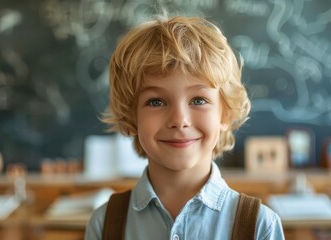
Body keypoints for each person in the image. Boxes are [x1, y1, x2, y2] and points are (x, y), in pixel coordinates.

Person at [85, 16, 284, 239]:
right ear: (132, 116)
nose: (179, 120)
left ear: (225, 113)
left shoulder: (259, 226)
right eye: (156, 102)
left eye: (198, 100)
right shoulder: (105, 225)